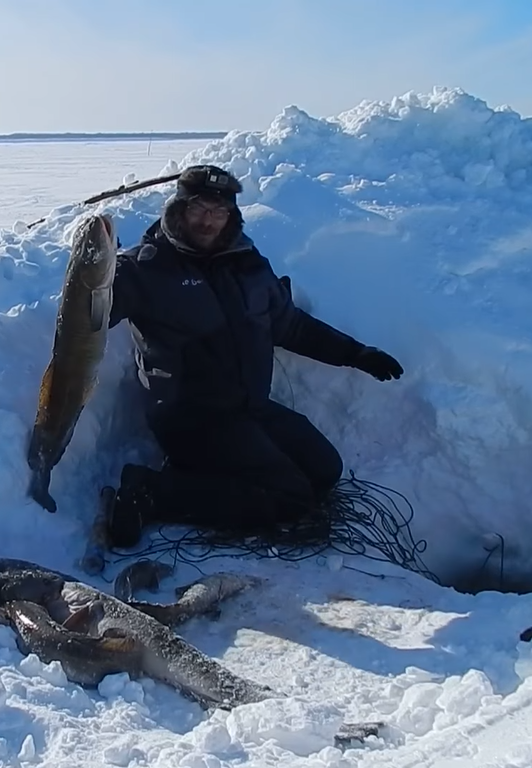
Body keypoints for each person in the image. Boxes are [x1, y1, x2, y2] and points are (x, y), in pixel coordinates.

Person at [102, 164, 403, 547]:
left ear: (231, 215)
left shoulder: (248, 264)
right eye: (198, 209)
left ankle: (202, 476)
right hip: (190, 416)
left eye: (219, 212)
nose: (208, 221)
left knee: (325, 470)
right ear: (178, 209)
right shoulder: (144, 269)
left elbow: (290, 325)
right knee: (290, 497)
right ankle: (152, 491)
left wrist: (357, 353)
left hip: (249, 408)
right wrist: (93, 274)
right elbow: (91, 316)